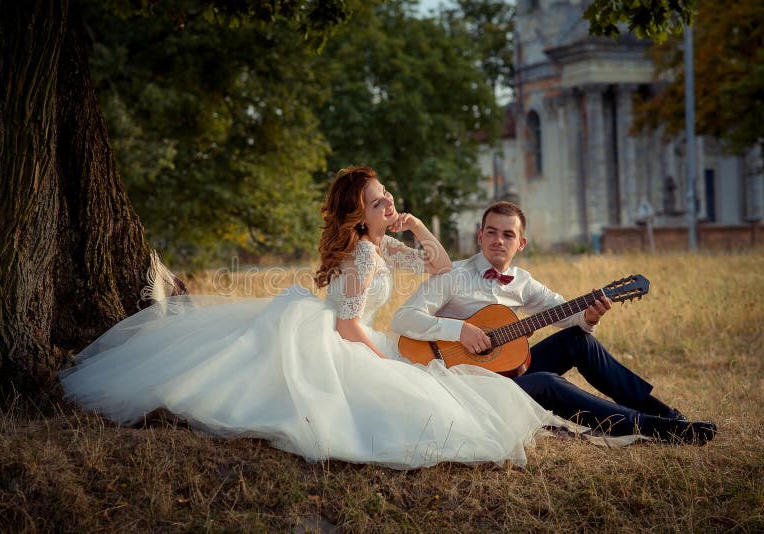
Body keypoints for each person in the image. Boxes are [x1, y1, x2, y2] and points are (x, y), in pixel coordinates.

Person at [60, 167, 561, 469]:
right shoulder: (363, 255)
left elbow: (441, 266)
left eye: (387, 195)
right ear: (358, 213)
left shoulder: (378, 243)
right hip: (339, 335)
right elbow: (346, 327)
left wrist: (417, 226)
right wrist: (387, 362)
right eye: (377, 201)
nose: (388, 203)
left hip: (352, 327)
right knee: (401, 389)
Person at [391, 201, 717, 445]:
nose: (498, 240)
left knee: (579, 339)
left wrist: (588, 316)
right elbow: (404, 318)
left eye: (508, 235)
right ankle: (650, 427)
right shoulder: (453, 276)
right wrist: (460, 329)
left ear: (521, 244)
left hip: (504, 378)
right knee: (545, 382)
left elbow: (563, 310)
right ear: (480, 236)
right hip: (464, 390)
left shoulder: (523, 282)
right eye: (491, 232)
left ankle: (664, 413)